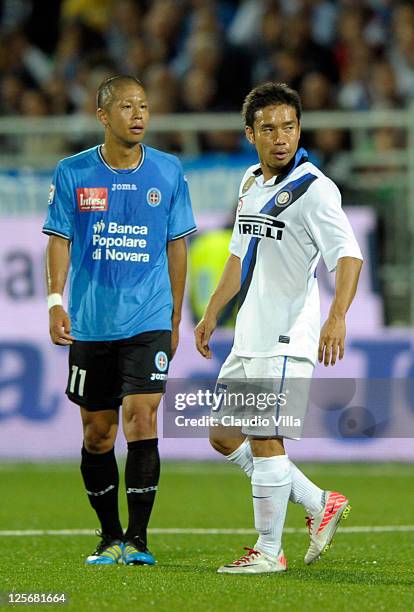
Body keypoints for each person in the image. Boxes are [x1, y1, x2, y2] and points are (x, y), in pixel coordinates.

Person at [195, 82, 363, 574]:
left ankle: (269, 551)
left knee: (266, 437)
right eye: (268, 128)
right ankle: (319, 503)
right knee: (224, 434)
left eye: (288, 126)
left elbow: (349, 256)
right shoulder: (250, 181)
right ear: (251, 134)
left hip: (289, 332)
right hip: (250, 330)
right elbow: (237, 254)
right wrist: (211, 313)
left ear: (299, 130)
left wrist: (337, 317)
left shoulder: (316, 189)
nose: (280, 137)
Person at [43, 75, 196, 566]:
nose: (139, 114)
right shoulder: (73, 172)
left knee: (143, 416)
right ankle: (109, 537)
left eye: (145, 106)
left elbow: (177, 245)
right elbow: (59, 238)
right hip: (91, 322)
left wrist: (174, 314)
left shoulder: (169, 172)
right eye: (127, 106)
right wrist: (53, 300)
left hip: (148, 316)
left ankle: (139, 539)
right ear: (103, 115)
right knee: (98, 433)